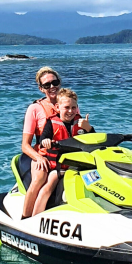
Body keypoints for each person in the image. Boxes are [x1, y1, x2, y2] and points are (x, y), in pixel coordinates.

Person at [32, 88, 92, 217]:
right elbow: (43, 138)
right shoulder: (51, 122)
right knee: (49, 184)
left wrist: (89, 128)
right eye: (66, 107)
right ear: (58, 107)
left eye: (73, 108)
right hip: (59, 167)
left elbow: (93, 141)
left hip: (77, 166)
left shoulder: (81, 123)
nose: (70, 111)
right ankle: (35, 217)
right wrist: (46, 141)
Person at [20, 67, 66, 219]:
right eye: (47, 85)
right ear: (41, 89)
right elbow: (25, 145)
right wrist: (39, 158)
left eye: (55, 82)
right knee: (39, 178)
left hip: (64, 155)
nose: (52, 87)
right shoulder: (35, 109)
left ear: (59, 83)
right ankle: (25, 218)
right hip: (43, 155)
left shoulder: (68, 105)